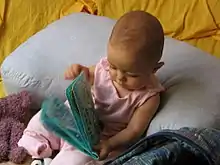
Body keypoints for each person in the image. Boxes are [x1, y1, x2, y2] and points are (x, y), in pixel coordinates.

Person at [18, 10, 165, 165]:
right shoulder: (104, 67)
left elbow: (134, 131)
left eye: (132, 74)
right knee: (42, 119)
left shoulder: (149, 97)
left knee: (78, 161)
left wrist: (110, 144)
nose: (119, 77)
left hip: (100, 140)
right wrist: (80, 71)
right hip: (74, 118)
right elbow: (87, 76)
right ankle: (30, 152)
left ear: (154, 69)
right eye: (113, 67)